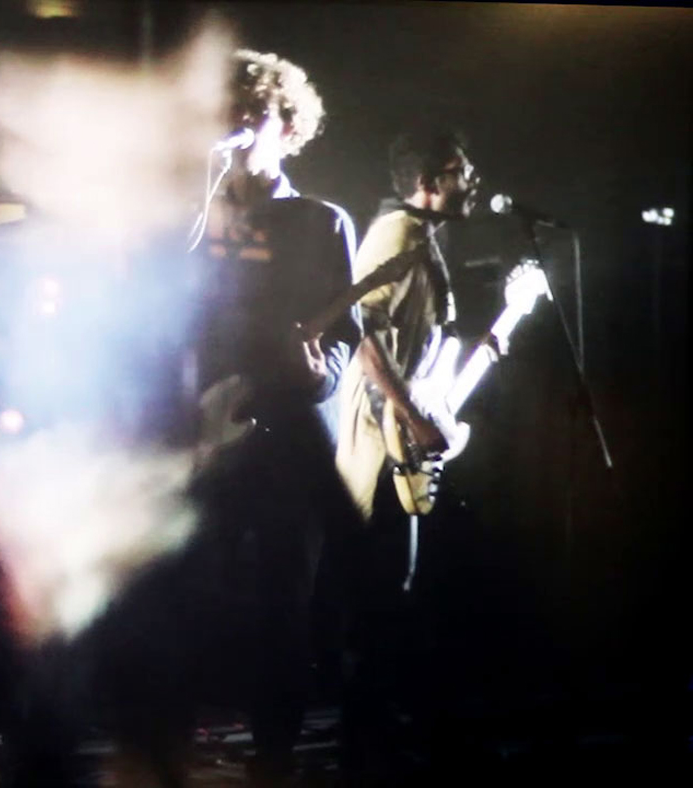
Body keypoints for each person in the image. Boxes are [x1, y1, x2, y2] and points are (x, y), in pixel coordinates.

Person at [188, 48, 363, 787]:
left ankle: (273, 753)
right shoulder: (192, 222)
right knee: (184, 588)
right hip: (205, 432)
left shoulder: (321, 221)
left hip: (290, 431)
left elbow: (348, 329)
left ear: (287, 127)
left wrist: (321, 378)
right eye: (224, 110)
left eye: (250, 113)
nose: (232, 123)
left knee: (283, 602)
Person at [332, 128, 481, 782]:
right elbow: (363, 337)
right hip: (381, 448)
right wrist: (414, 419)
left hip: (399, 445)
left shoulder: (422, 238)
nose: (471, 183)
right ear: (428, 181)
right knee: (378, 600)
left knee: (395, 598)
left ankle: (379, 739)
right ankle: (361, 751)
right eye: (460, 172)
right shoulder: (395, 235)